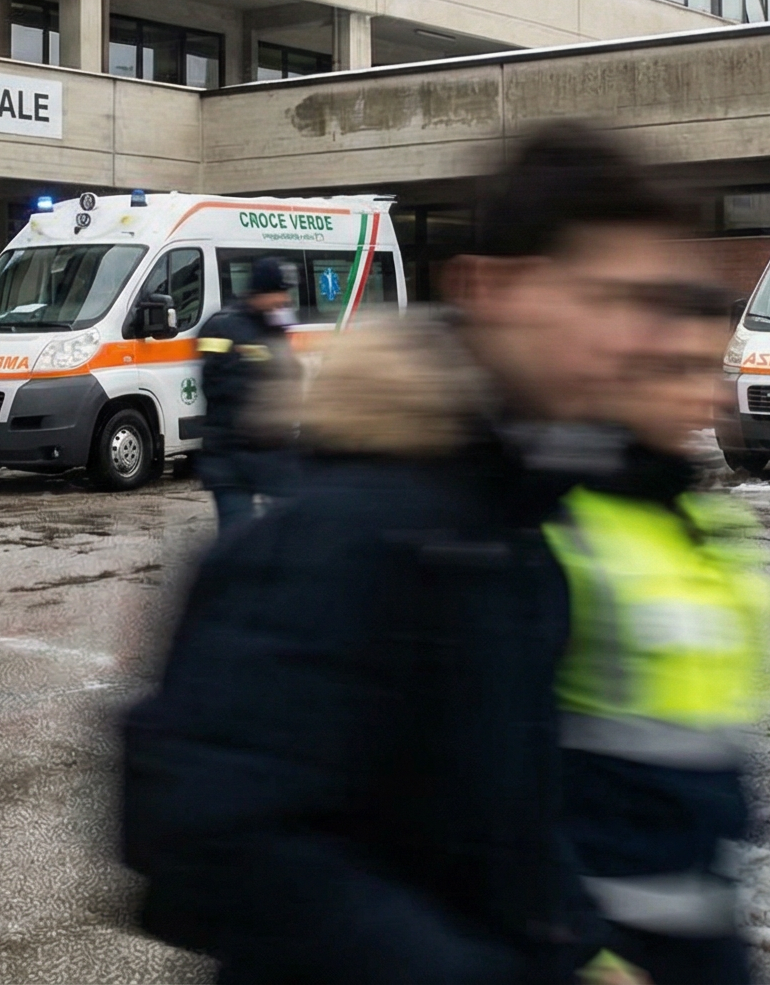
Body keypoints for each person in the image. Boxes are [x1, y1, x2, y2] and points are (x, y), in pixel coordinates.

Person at [120, 121, 705, 984]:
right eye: (601, 298)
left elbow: (505, 819)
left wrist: (581, 948)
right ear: (490, 288)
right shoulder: (343, 531)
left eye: (648, 304)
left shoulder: (522, 525)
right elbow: (211, 842)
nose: (634, 341)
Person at [552, 300, 770, 985]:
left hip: (704, 905)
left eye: (707, 367)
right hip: (611, 933)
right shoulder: (567, 532)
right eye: (674, 369)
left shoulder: (703, 521)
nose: (703, 392)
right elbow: (505, 767)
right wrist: (579, 945)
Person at [194, 256, 296, 529]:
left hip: (272, 458)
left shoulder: (275, 327)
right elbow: (213, 383)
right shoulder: (221, 326)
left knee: (286, 534)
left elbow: (290, 377)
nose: (285, 299)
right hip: (229, 460)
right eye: (279, 292)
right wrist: (262, 390)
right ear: (261, 291)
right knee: (237, 534)